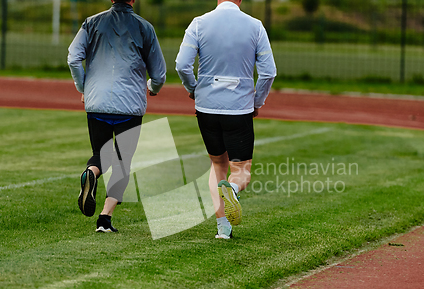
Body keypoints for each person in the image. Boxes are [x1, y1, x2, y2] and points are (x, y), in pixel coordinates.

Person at [175, 0, 276, 239]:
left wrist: (194, 89)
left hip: (206, 107)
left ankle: (223, 227)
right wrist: (256, 102)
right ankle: (233, 188)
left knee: (218, 165)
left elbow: (182, 65)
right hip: (238, 108)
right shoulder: (255, 26)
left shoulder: (199, 23)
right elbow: (268, 72)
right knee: (241, 170)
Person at [68, 0, 166, 233]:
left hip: (97, 102)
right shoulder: (144, 27)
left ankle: (90, 173)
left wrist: (83, 87)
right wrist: (153, 87)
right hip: (129, 105)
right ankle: (104, 218)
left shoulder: (91, 23)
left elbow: (73, 57)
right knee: (122, 163)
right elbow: (159, 72)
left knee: (100, 155)